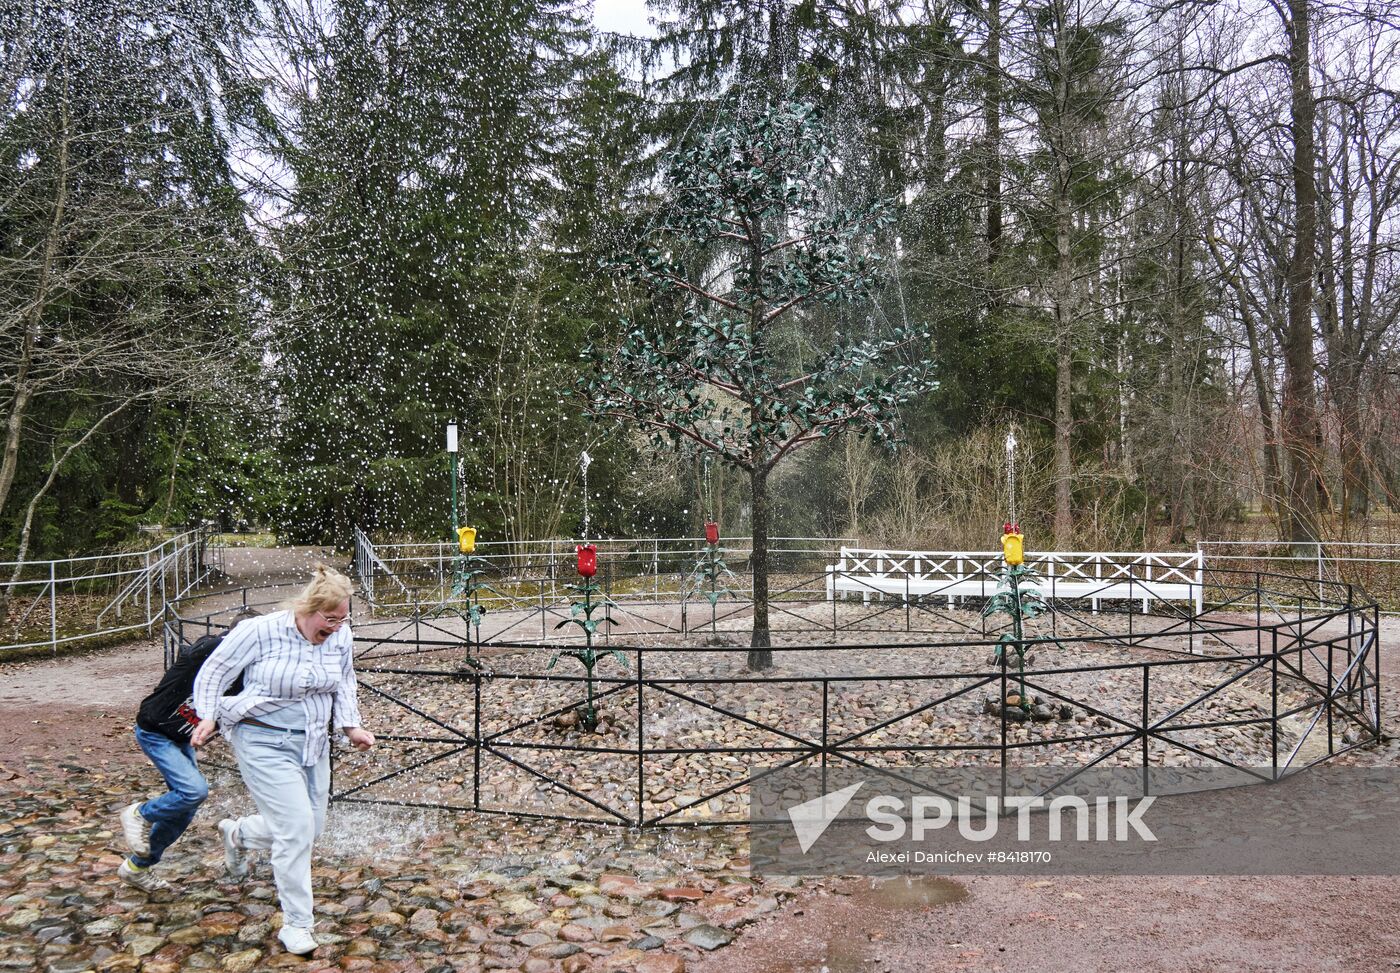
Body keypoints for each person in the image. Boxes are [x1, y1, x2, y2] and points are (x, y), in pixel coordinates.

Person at [191, 564, 375, 957]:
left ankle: (238, 834)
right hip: (262, 739)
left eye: (344, 619)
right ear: (309, 609)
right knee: (295, 831)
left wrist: (351, 727)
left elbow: (344, 681)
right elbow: (214, 672)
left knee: (312, 828)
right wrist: (207, 715)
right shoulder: (260, 630)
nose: (337, 627)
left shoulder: (340, 638)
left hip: (313, 742)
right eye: (330, 619)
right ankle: (298, 925)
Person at [117, 610, 260, 893]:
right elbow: (210, 646)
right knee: (194, 791)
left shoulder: (246, 672)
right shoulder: (210, 649)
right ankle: (140, 814)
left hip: (181, 739)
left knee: (184, 809)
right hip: (154, 731)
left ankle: (137, 868)